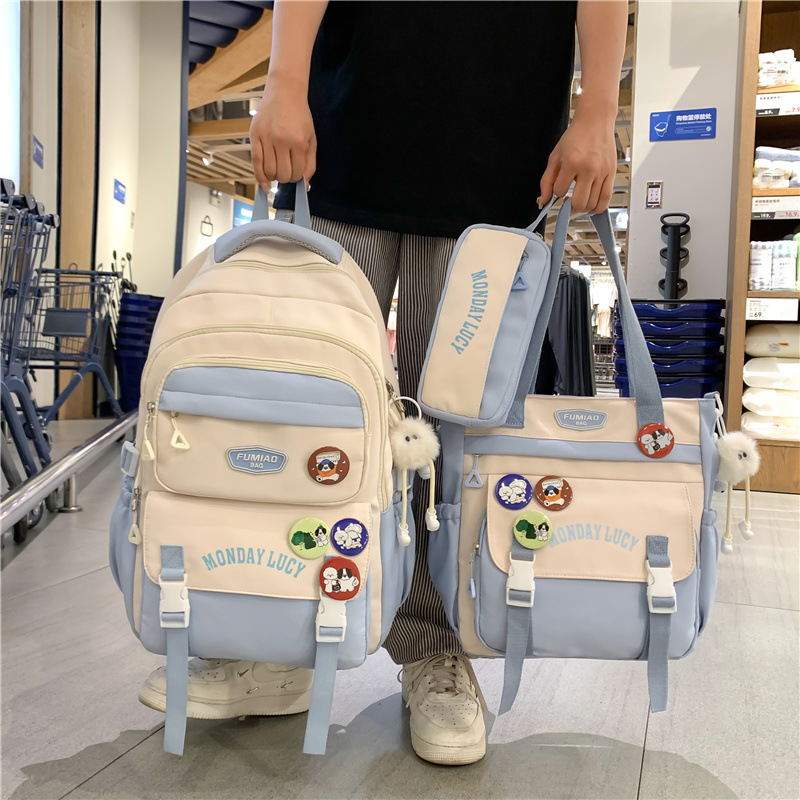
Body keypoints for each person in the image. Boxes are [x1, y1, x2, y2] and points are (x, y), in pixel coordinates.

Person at [140, 0, 627, 765]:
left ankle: (436, 648)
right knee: (304, 409)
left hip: (497, 156)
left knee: (453, 435)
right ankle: (280, 643)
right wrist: (283, 78)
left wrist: (598, 109)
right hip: (347, 135)